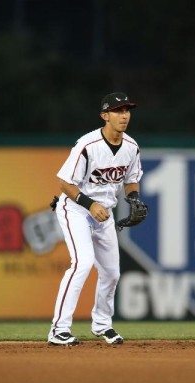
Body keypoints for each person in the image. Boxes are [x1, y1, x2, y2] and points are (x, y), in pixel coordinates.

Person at [48, 92, 143, 346]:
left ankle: (102, 324)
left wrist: (133, 199)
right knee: (82, 263)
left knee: (112, 273)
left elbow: (132, 179)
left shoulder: (131, 147)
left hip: (104, 215)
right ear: (105, 116)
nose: (124, 115)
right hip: (77, 210)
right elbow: (64, 182)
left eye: (127, 110)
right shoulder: (87, 145)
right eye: (118, 110)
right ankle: (58, 329)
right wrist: (89, 205)